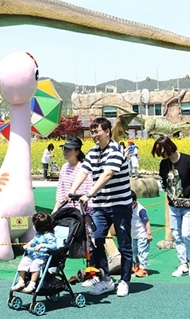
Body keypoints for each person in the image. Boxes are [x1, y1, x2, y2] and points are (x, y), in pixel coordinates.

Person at [67, 117, 133, 298]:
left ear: (107, 131)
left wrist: (89, 194)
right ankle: (106, 280)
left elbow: (108, 174)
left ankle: (125, 281)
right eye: (92, 132)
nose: (94, 135)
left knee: (124, 244)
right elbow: (84, 171)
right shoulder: (93, 152)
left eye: (97, 131)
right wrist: (72, 190)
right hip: (101, 207)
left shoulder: (116, 150)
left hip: (120, 205)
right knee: (95, 240)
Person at [152, 136, 190, 277]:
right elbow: (163, 182)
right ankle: (183, 264)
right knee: (177, 235)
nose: (161, 154)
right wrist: (170, 194)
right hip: (174, 205)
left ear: (169, 146)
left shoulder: (187, 160)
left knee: (187, 234)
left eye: (161, 150)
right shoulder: (163, 164)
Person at [10, 212, 58, 294]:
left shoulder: (49, 236)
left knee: (35, 264)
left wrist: (42, 245)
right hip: (34, 255)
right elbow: (34, 240)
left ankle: (32, 284)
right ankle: (21, 281)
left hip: (43, 256)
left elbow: (54, 246)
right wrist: (28, 244)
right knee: (24, 261)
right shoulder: (38, 234)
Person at [52, 137, 92, 214]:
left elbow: (87, 191)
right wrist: (55, 211)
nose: (65, 152)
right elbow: (60, 192)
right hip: (66, 211)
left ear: (77, 152)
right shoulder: (64, 167)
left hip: (81, 211)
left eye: (69, 149)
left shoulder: (84, 168)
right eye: (64, 149)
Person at [130, 190, 152, 278]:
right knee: (135, 250)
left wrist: (149, 233)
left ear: (134, 202)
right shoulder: (130, 209)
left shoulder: (140, 210)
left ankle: (144, 268)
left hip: (142, 234)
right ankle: (137, 265)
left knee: (142, 251)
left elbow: (146, 221)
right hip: (135, 235)